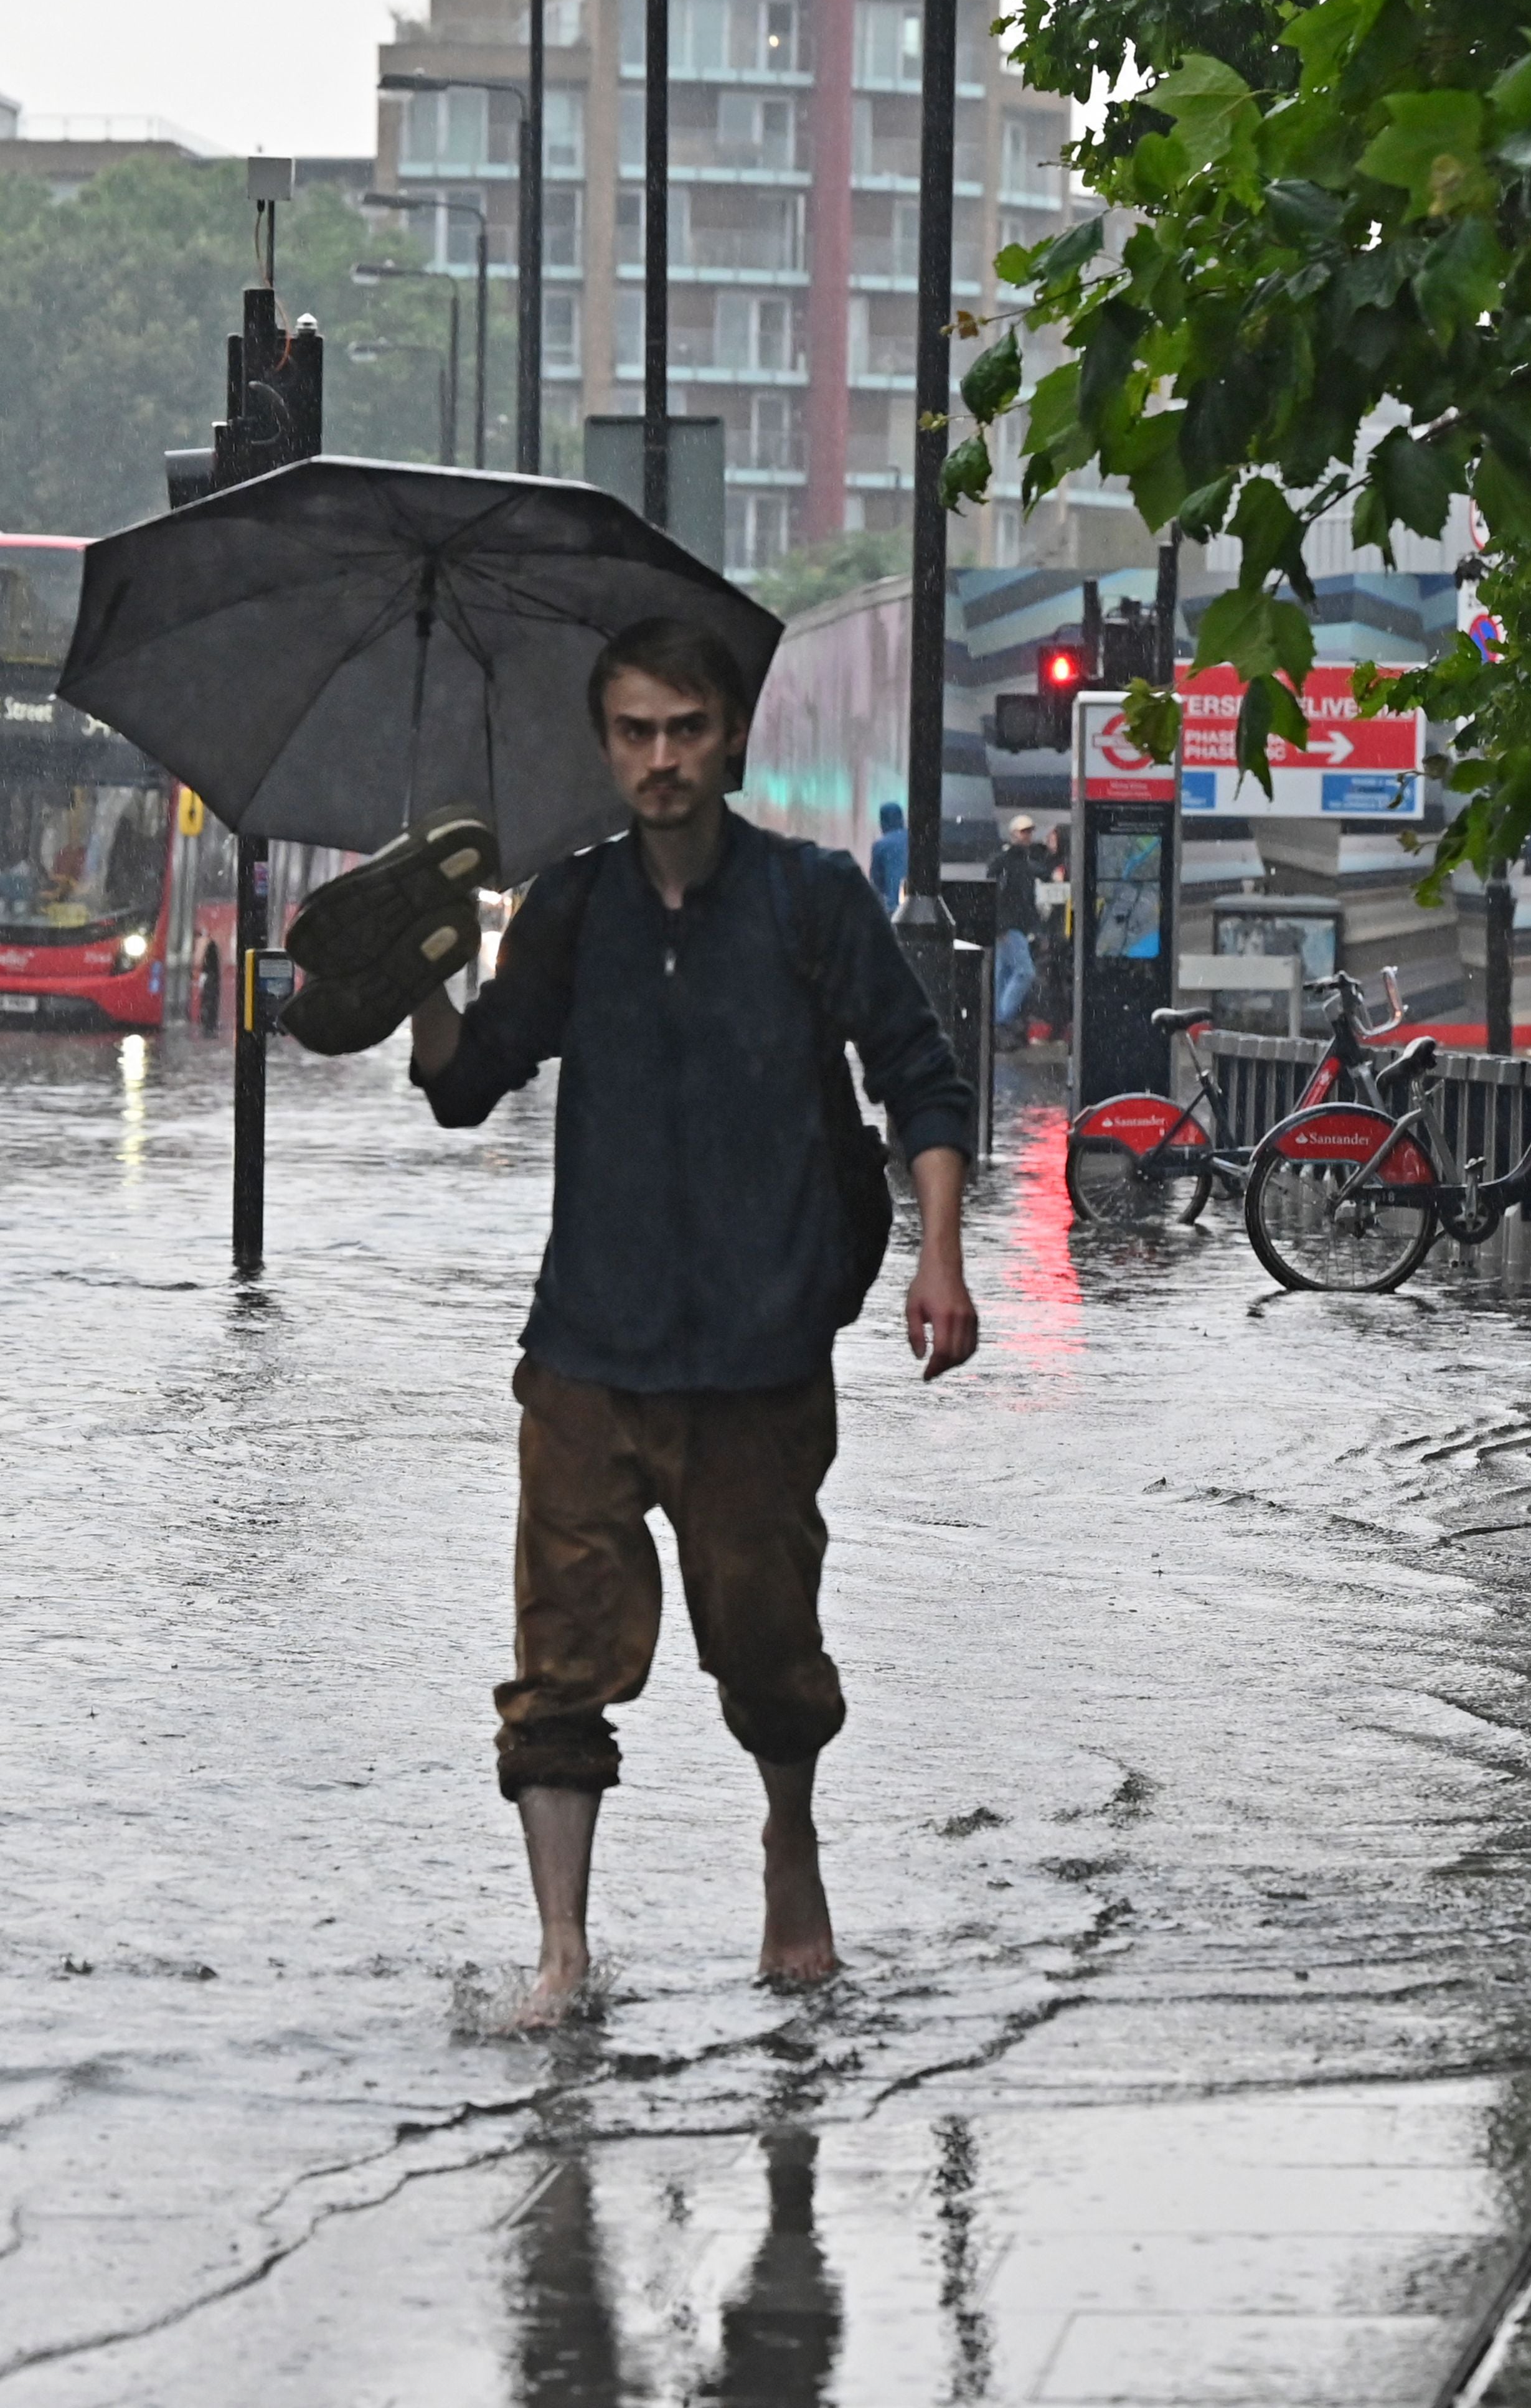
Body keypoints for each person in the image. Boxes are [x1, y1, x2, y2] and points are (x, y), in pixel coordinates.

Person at [406, 616, 981, 2029]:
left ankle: (791, 1838)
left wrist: (941, 1257)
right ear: (605, 746)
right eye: (633, 732)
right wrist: (404, 970)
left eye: (683, 730)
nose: (659, 759)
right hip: (589, 1355)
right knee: (556, 1668)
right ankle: (562, 1952)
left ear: (729, 737)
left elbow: (922, 1075)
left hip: (760, 1356)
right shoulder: (573, 909)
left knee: (771, 1653)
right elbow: (468, 1083)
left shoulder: (813, 899)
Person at [989, 815, 1042, 1040]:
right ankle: (1002, 1018)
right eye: (1023, 832)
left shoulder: (1018, 863)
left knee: (1003, 975)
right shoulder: (1009, 863)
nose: (1027, 836)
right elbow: (1000, 895)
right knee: (1024, 972)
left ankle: (996, 1022)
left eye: (1029, 831)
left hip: (1011, 926)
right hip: (1011, 926)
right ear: (1013, 834)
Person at [866, 799, 908, 916]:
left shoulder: (881, 845)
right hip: (914, 905)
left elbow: (876, 881)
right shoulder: (913, 839)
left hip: (893, 907)